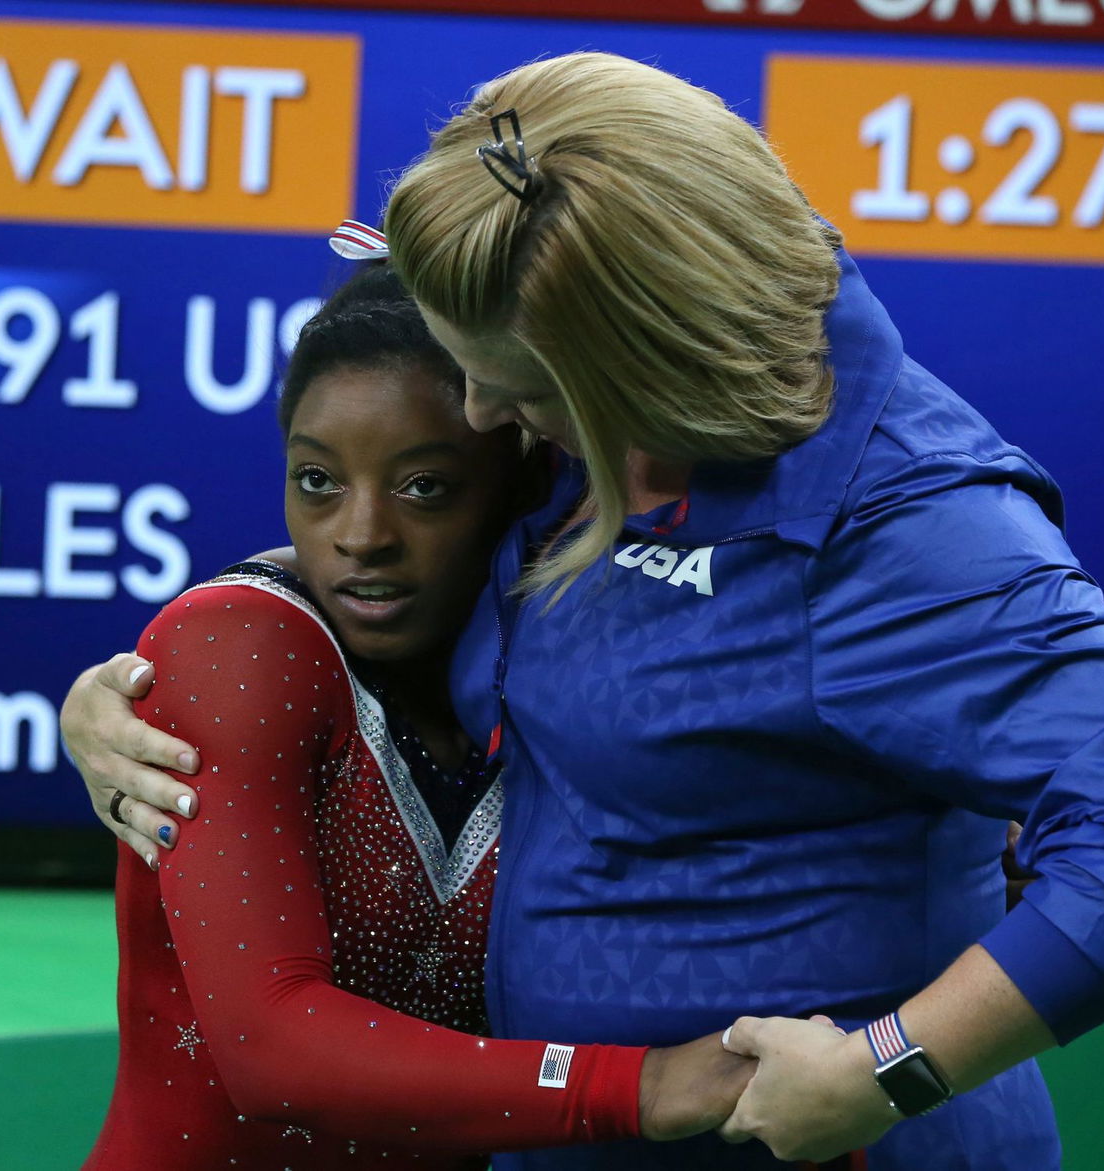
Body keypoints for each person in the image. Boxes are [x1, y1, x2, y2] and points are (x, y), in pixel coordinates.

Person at [66, 54, 1104, 1169]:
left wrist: (885, 1067)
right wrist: (184, 661)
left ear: (638, 354)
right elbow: (445, 555)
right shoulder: (597, 424)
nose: (480, 407)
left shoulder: (910, 534)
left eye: (516, 382)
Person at [78, 255, 754, 1170]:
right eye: (317, 479)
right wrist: (648, 1085)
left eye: (424, 486)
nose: (360, 535)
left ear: (525, 483)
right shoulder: (238, 646)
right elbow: (270, 1048)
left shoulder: (575, 653)